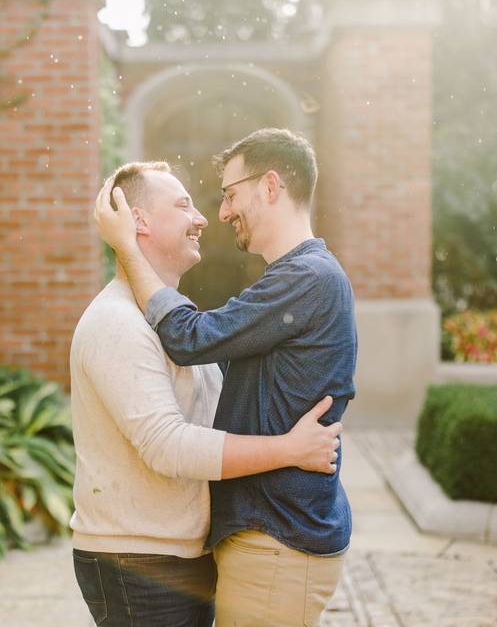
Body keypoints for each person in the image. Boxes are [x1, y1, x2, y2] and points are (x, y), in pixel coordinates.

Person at [95, 129, 358, 626]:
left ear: (271, 186)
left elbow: (190, 338)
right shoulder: (301, 276)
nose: (221, 213)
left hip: (278, 541)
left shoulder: (307, 278)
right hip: (275, 538)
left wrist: (128, 250)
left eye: (231, 194)